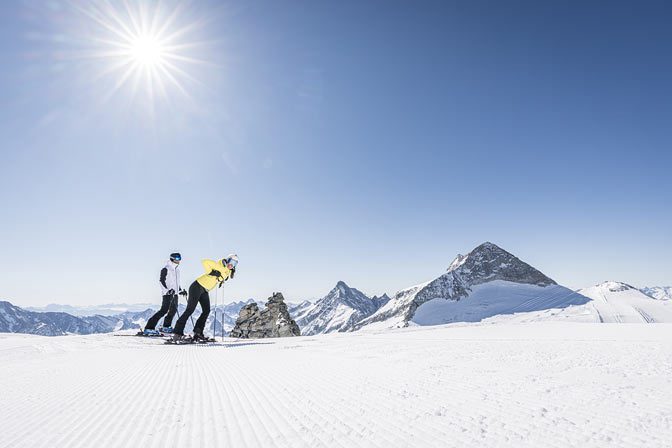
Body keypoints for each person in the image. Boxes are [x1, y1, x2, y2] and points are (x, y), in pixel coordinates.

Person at [172, 254, 238, 342]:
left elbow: (223, 276)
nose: (232, 265)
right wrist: (212, 272)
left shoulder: (227, 271)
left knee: (206, 311)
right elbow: (204, 261)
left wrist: (222, 280)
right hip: (197, 287)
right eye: (231, 262)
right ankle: (177, 334)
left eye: (235, 263)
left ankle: (198, 333)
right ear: (227, 260)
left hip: (205, 290)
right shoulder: (219, 265)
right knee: (190, 310)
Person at [143, 252, 187, 335]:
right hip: (167, 294)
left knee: (173, 310)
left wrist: (180, 291)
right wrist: (167, 291)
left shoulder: (177, 270)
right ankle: (149, 327)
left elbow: (176, 283)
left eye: (180, 259)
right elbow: (161, 281)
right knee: (164, 310)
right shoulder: (166, 269)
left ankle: (166, 327)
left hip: (175, 294)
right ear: (172, 259)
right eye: (177, 259)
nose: (179, 261)